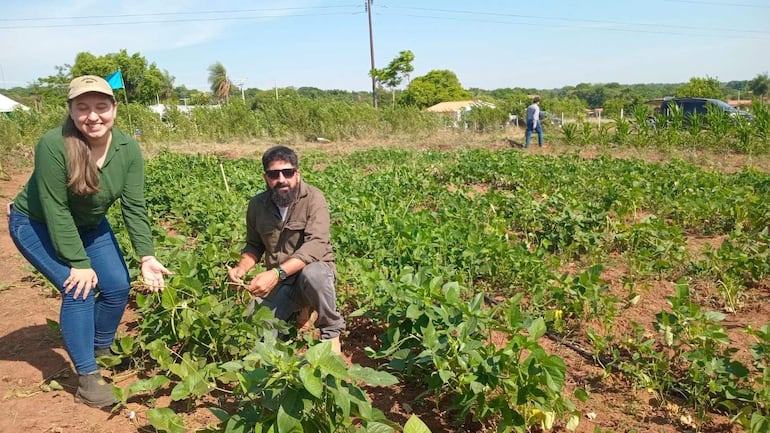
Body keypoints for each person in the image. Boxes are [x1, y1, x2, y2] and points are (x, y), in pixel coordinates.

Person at [7, 75, 171, 408]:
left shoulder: (127, 149)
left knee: (116, 287)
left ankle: (100, 347)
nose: (92, 116)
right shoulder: (54, 144)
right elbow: (56, 209)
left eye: (101, 107)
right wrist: (79, 264)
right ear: (70, 110)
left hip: (89, 225)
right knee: (78, 289)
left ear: (114, 109)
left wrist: (146, 256)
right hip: (36, 224)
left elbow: (134, 206)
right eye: (82, 108)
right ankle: (88, 379)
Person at [227, 146, 345, 355]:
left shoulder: (314, 199)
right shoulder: (257, 205)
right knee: (258, 332)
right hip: (283, 282)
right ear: (266, 177)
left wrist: (275, 273)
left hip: (312, 272)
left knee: (314, 274)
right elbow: (254, 245)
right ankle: (302, 309)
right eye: (274, 174)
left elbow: (315, 246)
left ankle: (330, 331)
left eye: (287, 172)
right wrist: (241, 269)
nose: (281, 179)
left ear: (297, 174)